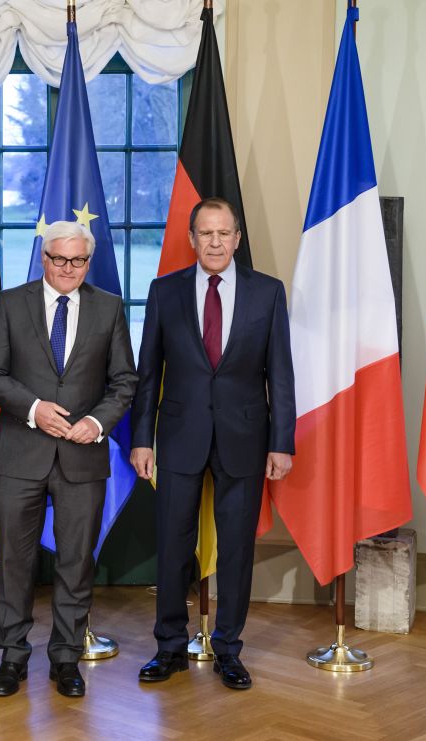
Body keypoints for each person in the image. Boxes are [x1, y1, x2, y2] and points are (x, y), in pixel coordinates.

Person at [130, 197, 296, 691]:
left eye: (224, 233)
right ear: (192, 238)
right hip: (179, 437)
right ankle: (170, 649)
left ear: (238, 238)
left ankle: (228, 649)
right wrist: (142, 440)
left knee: (237, 550)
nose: (216, 242)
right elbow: (147, 375)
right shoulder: (165, 291)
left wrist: (281, 442)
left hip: (246, 439)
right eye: (206, 233)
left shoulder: (268, 293)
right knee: (172, 546)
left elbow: (281, 374)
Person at [0, 220, 137, 699]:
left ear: (89, 262)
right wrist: (33, 409)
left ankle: (66, 657)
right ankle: (12, 657)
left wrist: (99, 422)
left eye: (79, 260)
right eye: (59, 259)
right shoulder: (11, 303)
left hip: (82, 457)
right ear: (43, 258)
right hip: (19, 455)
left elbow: (125, 380)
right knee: (14, 562)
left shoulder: (108, 307)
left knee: (75, 562)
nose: (69, 269)